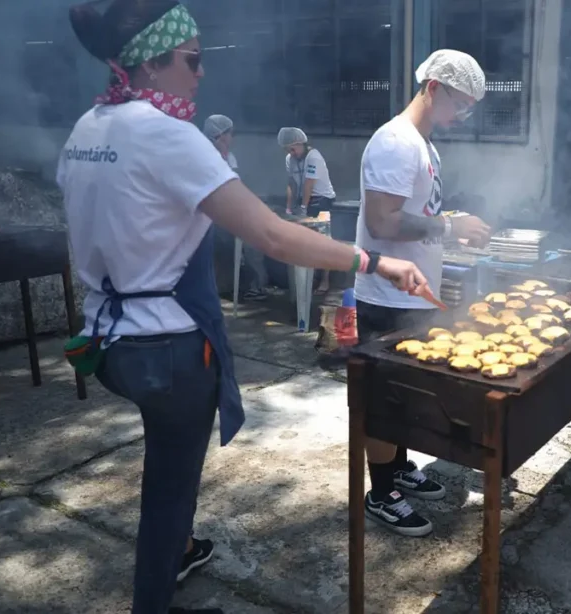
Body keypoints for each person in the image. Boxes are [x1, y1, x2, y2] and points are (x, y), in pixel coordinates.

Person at [58, 2, 427, 612]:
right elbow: (275, 237)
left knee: (165, 460)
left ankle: (179, 551)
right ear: (151, 62)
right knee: (170, 489)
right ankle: (154, 592)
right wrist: (373, 261)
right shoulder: (168, 136)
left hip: (109, 340)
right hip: (169, 347)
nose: (202, 74)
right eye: (192, 60)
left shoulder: (86, 129)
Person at [354, 49, 492, 537]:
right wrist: (450, 229)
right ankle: (380, 491)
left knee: (406, 398)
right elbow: (383, 221)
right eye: (460, 104)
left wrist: (447, 226)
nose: (462, 116)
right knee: (381, 399)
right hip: (386, 295)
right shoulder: (395, 143)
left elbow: (420, 214)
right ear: (433, 88)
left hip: (415, 294)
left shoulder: (425, 145)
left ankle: (398, 468)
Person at [203, 115, 269, 302]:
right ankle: (218, 287)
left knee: (244, 245)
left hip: (226, 212)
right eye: (230, 134)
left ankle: (253, 285)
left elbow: (235, 182)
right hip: (208, 213)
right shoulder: (205, 154)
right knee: (217, 250)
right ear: (221, 135)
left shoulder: (228, 156)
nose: (232, 138)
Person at [279, 126, 336, 293]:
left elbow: (309, 185)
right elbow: (292, 183)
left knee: (323, 239)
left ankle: (325, 280)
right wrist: (289, 208)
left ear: (302, 144)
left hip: (321, 198)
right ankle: (304, 279)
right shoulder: (290, 159)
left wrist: (303, 208)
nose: (292, 152)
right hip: (303, 197)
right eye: (288, 149)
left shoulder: (314, 157)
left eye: (294, 148)